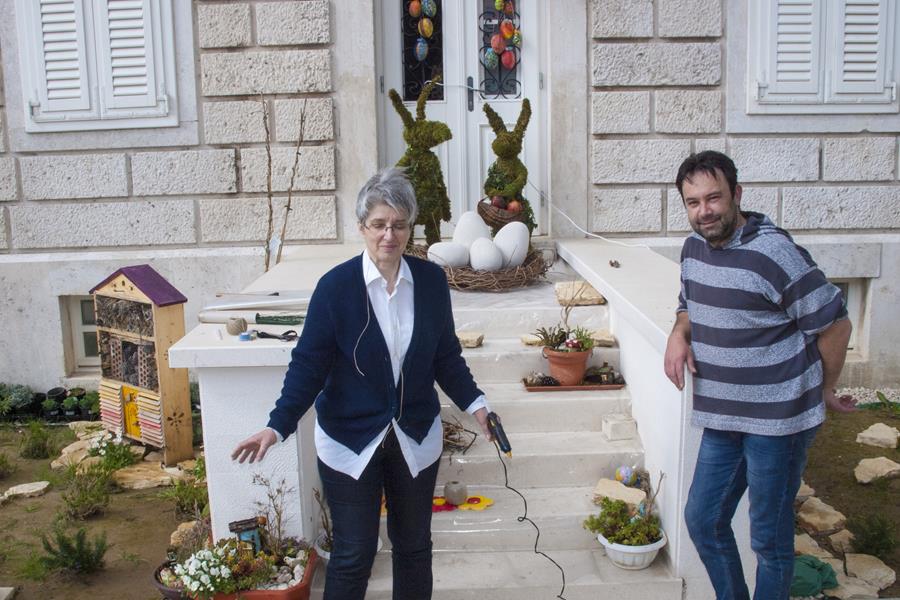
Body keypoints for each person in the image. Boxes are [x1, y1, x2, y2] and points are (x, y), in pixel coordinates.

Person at [231, 168, 493, 600]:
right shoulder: (335, 288)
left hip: (414, 436)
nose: (389, 235)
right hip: (349, 442)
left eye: (399, 225)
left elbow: (445, 356)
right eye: (379, 224)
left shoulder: (430, 283)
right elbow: (308, 366)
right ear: (362, 227)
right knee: (354, 553)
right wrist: (276, 426)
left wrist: (478, 405)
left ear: (410, 228)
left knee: (414, 547)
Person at [663, 151, 854, 600]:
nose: (704, 211)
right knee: (703, 520)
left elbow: (835, 323)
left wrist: (825, 388)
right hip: (723, 417)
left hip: (778, 422)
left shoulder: (773, 253)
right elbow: (688, 304)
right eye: (693, 202)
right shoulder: (693, 248)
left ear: (737, 194)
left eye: (714, 198)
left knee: (768, 539)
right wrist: (678, 333)